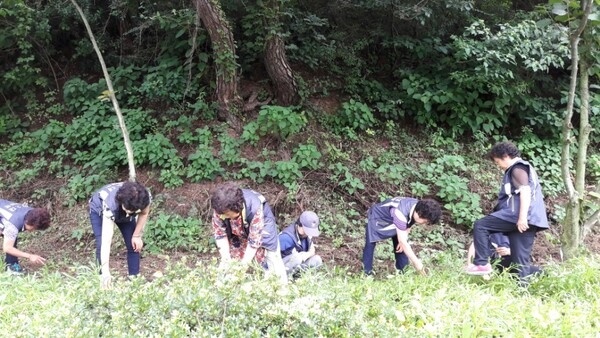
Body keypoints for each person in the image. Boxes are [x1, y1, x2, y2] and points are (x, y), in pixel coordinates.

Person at [466, 141, 549, 282]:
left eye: (497, 161)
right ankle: (523, 292)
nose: (497, 165)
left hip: (517, 215)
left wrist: (522, 218)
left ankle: (481, 263)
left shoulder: (517, 168)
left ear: (505, 156)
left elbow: (525, 191)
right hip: (532, 218)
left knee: (481, 225)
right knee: (520, 260)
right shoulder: (526, 168)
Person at [211, 182, 287, 284]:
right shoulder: (220, 208)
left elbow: (254, 242)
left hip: (263, 227)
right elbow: (220, 234)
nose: (222, 217)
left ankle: (281, 288)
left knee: (272, 258)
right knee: (230, 261)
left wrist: (243, 267)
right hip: (237, 228)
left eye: (226, 214)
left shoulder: (255, 208)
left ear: (236, 209)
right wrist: (226, 259)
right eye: (221, 214)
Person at [89, 181, 151, 288]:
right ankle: (102, 279)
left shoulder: (143, 199)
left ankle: (134, 281)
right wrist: (106, 273)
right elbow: (106, 242)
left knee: (133, 244)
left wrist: (137, 236)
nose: (127, 214)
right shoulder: (110, 204)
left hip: (127, 206)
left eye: (131, 212)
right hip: (99, 209)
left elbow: (144, 213)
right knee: (101, 242)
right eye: (126, 210)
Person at [362, 197, 442, 276]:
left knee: (401, 246)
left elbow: (409, 223)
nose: (424, 223)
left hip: (396, 219)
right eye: (425, 221)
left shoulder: (418, 206)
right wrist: (417, 264)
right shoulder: (401, 213)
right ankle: (366, 273)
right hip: (378, 217)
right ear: (420, 213)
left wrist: (403, 240)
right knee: (370, 243)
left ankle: (403, 272)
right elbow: (404, 228)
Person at [0, 199, 51, 274]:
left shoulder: (32, 212)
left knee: (11, 237)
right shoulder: (13, 225)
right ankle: (11, 266)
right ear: (29, 223)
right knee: (10, 237)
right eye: (34, 228)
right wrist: (30, 256)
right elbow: (7, 248)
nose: (33, 231)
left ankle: (12, 265)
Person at [279, 211, 323, 278]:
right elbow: (272, 257)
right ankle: (283, 280)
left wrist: (306, 255)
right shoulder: (286, 238)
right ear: (300, 225)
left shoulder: (306, 235)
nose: (309, 233)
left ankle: (300, 280)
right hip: (280, 268)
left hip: (296, 266)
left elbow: (312, 250)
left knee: (317, 260)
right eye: (307, 230)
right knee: (297, 258)